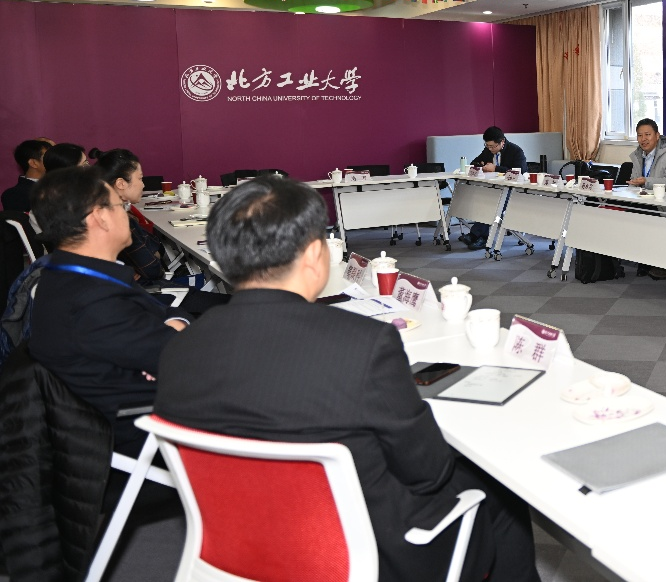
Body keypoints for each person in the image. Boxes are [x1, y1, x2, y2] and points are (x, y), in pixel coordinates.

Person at [154, 177, 540, 582]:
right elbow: (428, 471)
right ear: (314, 254)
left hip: (240, 542)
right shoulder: (363, 344)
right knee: (498, 492)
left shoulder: (180, 347)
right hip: (364, 555)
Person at [26, 166, 187, 455]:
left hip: (144, 396)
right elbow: (182, 357)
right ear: (100, 217)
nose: (127, 213)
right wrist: (177, 329)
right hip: (151, 430)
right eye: (120, 205)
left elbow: (165, 327)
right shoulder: (93, 301)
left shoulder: (69, 273)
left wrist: (175, 325)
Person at [95, 148, 229, 315]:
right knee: (235, 303)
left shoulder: (102, 214)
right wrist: (154, 258)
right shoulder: (121, 221)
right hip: (152, 295)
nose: (143, 184)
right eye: (140, 178)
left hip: (140, 292)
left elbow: (153, 251)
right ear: (121, 183)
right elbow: (152, 268)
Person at [462, 127, 527, 250]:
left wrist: (496, 169)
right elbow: (474, 163)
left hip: (513, 191)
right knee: (484, 200)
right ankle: (477, 235)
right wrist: (480, 166)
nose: (490, 149)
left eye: (492, 146)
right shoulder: (487, 151)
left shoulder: (516, 151)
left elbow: (520, 172)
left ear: (502, 142)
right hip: (494, 189)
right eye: (487, 146)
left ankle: (480, 237)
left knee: (492, 203)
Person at [627, 118, 666, 190]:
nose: (643, 139)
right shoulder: (638, 156)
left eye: (647, 134)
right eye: (639, 135)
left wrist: (646, 181)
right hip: (644, 196)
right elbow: (634, 182)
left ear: (657, 135)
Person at [2, 139, 48, 212]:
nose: (55, 160)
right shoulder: (15, 194)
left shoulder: (59, 186)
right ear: (33, 163)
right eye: (48, 157)